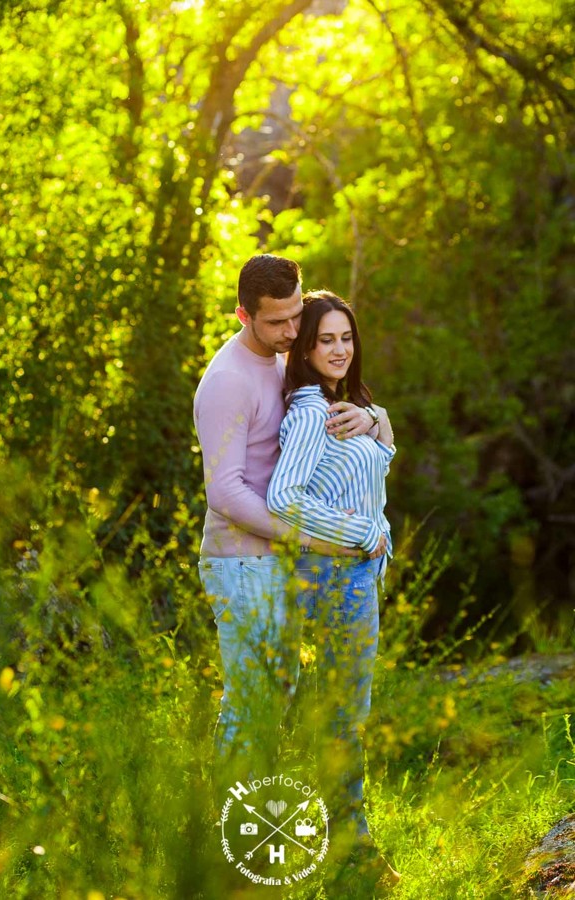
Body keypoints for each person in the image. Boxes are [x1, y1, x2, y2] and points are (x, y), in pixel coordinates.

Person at [193, 256, 385, 798]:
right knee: (254, 699)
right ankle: (221, 842)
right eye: (276, 322)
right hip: (240, 560)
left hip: (280, 556)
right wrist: (314, 536)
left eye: (295, 315)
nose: (290, 331)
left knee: (278, 692)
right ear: (242, 316)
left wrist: (374, 419)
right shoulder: (228, 381)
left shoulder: (283, 358)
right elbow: (225, 492)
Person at [266, 290, 399, 887]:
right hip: (334, 577)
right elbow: (285, 500)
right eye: (326, 339)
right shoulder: (310, 412)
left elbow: (371, 470)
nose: (340, 348)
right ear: (305, 347)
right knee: (343, 718)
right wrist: (364, 531)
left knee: (344, 716)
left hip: (353, 576)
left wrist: (379, 422)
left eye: (346, 337)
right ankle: (351, 855)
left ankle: (337, 847)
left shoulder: (345, 406)